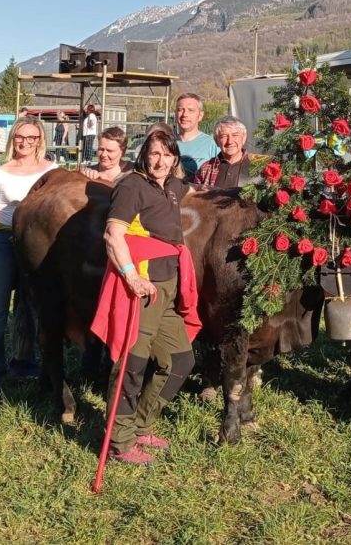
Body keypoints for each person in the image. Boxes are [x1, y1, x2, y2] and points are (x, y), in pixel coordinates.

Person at [91, 127, 199, 465]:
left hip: (170, 284)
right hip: (144, 284)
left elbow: (204, 190)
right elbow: (113, 235)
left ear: (175, 158)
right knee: (133, 364)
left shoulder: (170, 187)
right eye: (154, 153)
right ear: (143, 155)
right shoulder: (132, 186)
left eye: (167, 155)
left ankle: (139, 425)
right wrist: (131, 276)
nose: (160, 161)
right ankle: (120, 443)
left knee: (181, 360)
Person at [0, 119, 57, 396]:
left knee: (32, 307)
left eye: (31, 138)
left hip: (37, 243)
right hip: (3, 241)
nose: (25, 142)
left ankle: (26, 364)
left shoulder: (52, 171)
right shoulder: (0, 173)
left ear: (39, 140)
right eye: (19, 137)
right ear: (12, 139)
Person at [194, 116, 253, 188]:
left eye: (235, 135)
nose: (230, 141)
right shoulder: (205, 169)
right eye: (224, 136)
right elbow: (196, 197)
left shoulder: (257, 166)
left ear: (244, 138)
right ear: (216, 141)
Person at [175, 93, 219, 180]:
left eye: (191, 110)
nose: (185, 115)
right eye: (180, 110)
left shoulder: (212, 144)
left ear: (200, 115)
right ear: (175, 114)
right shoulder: (167, 143)